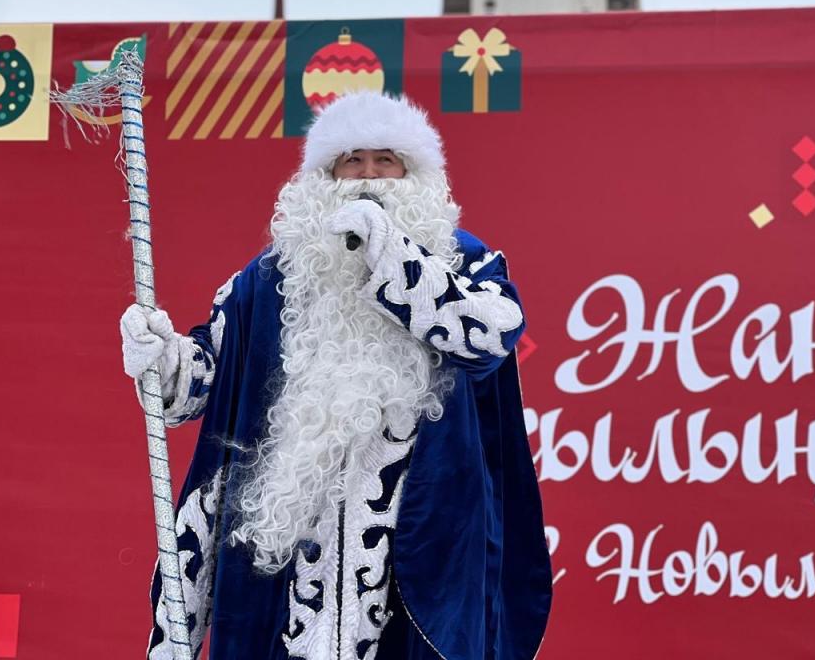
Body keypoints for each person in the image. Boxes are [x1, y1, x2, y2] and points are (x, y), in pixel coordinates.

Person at [121, 90, 552, 660]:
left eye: (385, 160)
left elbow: (494, 334)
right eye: (352, 161)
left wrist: (393, 257)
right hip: (285, 551)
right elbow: (204, 382)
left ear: (414, 173)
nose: (368, 176)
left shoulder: (463, 260)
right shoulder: (269, 277)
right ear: (324, 176)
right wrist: (164, 359)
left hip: (421, 550)